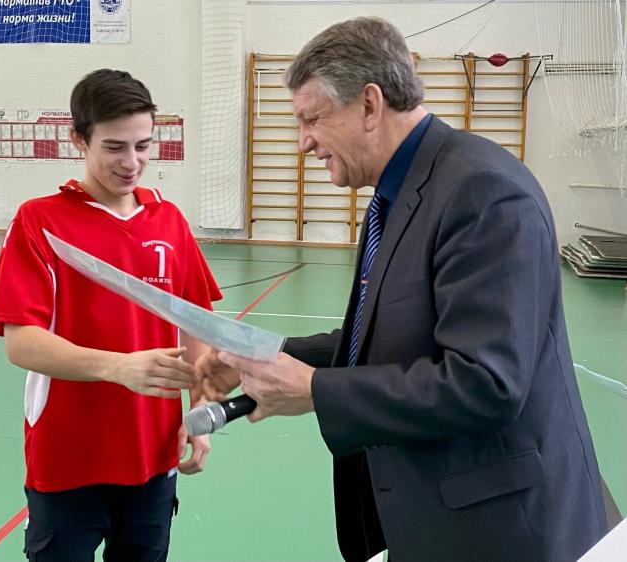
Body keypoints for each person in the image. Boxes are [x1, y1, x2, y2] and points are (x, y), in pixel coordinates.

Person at [199, 17, 608, 562]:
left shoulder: (481, 192)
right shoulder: (402, 192)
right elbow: (392, 334)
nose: (303, 143)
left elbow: (486, 382)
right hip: (437, 512)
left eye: (312, 119)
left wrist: (316, 390)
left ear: (370, 105)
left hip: (503, 530)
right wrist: (266, 356)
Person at [0, 69, 222, 562]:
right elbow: (21, 341)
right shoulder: (40, 221)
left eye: (143, 146)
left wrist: (200, 410)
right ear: (79, 138)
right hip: (68, 456)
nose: (131, 162)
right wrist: (118, 367)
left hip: (154, 454)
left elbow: (196, 326)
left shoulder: (169, 222)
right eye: (114, 147)